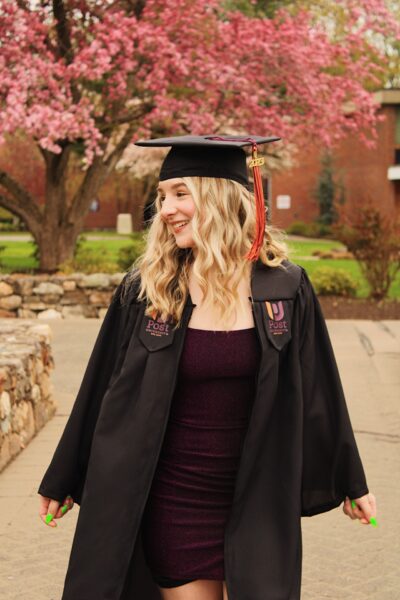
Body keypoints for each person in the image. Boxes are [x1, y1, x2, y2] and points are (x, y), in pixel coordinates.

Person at [38, 135, 377, 600]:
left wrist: (350, 481)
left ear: (219, 196)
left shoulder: (285, 288)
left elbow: (320, 389)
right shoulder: (150, 291)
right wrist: (64, 477)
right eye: (162, 196)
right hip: (175, 501)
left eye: (181, 193)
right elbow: (100, 388)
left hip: (257, 500)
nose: (167, 209)